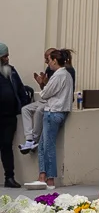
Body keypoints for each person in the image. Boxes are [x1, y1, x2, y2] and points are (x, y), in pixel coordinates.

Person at [27, 49, 74, 190]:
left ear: (54, 60)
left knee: (48, 146)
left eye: (49, 59)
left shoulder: (59, 75)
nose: (48, 63)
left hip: (53, 111)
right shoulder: (67, 75)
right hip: (60, 111)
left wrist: (43, 85)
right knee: (43, 145)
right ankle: (42, 176)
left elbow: (45, 94)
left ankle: (50, 179)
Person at [20, 48, 73, 155]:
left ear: (54, 59)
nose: (46, 62)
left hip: (55, 105)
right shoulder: (51, 70)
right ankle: (29, 139)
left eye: (47, 59)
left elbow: (49, 91)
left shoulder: (63, 72)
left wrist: (45, 86)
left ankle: (34, 139)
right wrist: (41, 83)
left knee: (47, 148)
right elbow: (47, 89)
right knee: (25, 109)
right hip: (49, 101)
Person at [0, 47, 31, 188]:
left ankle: (9, 178)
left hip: (10, 116)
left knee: (7, 145)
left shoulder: (11, 70)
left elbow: (19, 88)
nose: (7, 59)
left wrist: (23, 103)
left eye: (7, 56)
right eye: (4, 56)